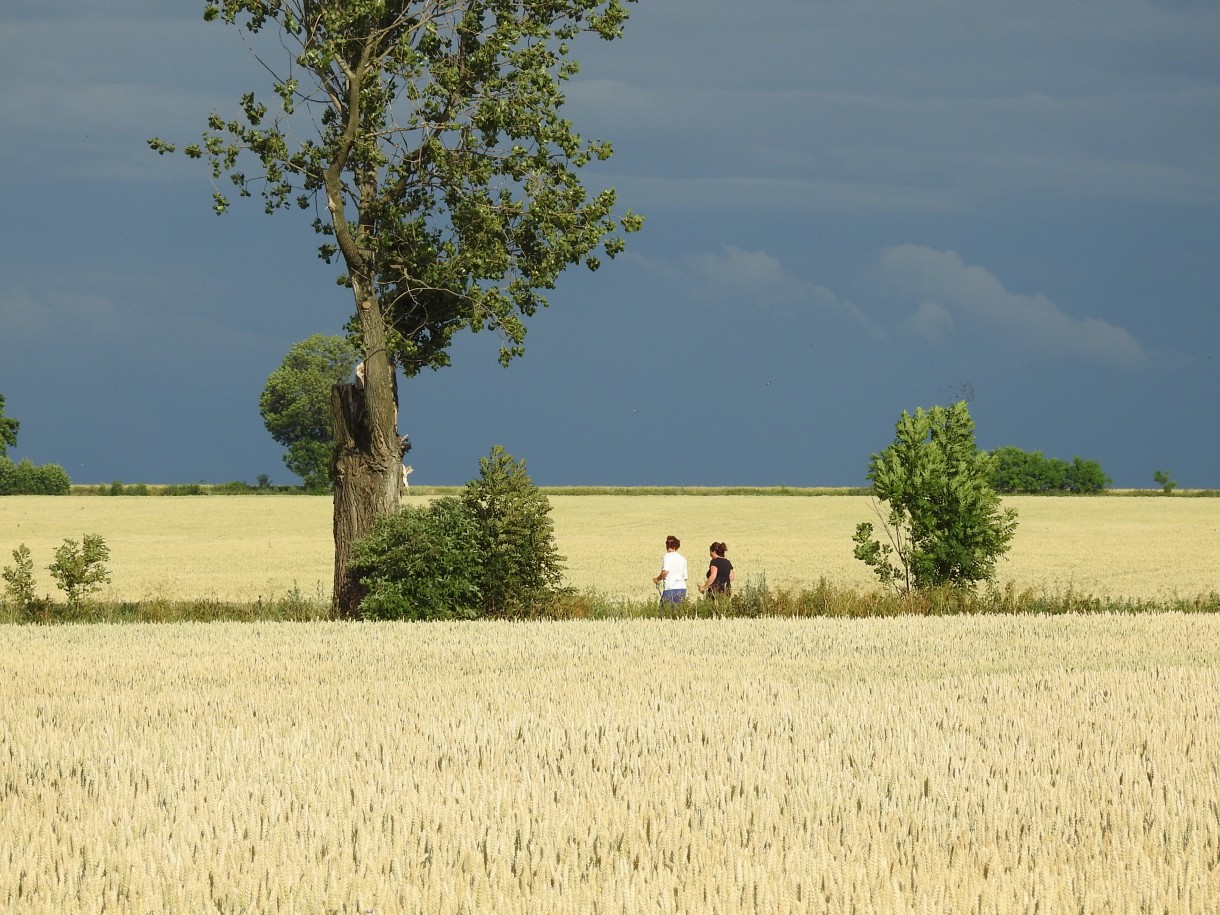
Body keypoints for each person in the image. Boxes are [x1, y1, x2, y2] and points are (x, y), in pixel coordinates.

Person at [652, 535, 688, 604]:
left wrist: (657, 579)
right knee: (678, 612)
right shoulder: (683, 559)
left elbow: (665, 572)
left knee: (664, 612)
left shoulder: (667, 556)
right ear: (676, 546)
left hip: (670, 588)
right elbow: (685, 577)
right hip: (682, 588)